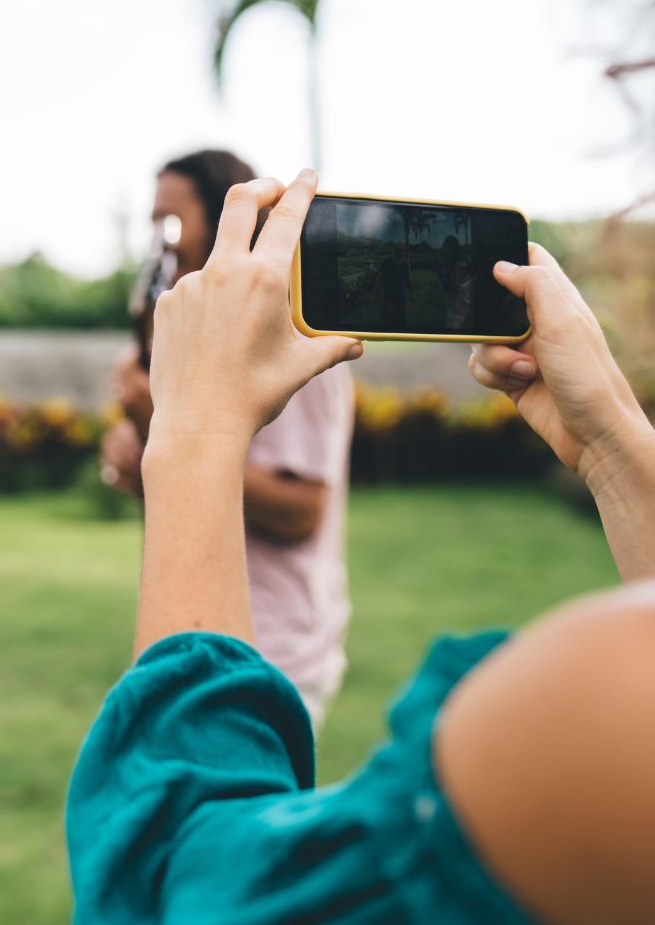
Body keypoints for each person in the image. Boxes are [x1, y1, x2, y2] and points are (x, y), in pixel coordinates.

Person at [67, 169, 655, 923]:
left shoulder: (607, 710)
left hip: (278, 643)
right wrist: (608, 436)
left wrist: (192, 432)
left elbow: (175, 878)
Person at [101, 150, 355, 722]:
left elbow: (300, 510)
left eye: (170, 221)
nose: (159, 243)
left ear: (222, 223)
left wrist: (159, 423)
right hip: (194, 628)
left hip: (271, 652)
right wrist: (140, 450)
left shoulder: (293, 337)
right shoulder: (196, 341)